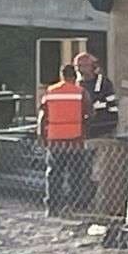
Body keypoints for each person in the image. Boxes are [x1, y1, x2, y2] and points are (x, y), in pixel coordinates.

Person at [39, 64, 89, 217]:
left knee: (54, 175)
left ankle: (52, 208)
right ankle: (73, 207)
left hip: (55, 142)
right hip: (75, 142)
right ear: (74, 77)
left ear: (61, 76)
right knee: (76, 175)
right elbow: (90, 113)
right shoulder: (81, 93)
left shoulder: (50, 92)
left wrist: (42, 136)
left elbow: (42, 118)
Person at [73, 51, 119, 137]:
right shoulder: (76, 84)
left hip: (102, 125)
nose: (79, 70)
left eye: (82, 66)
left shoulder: (104, 83)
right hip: (83, 128)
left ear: (92, 66)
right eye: (77, 66)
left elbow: (112, 106)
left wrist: (112, 125)